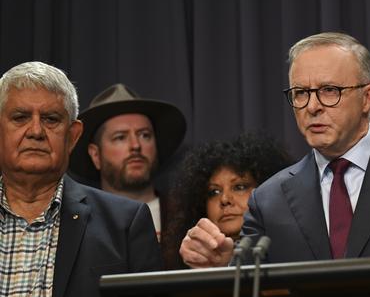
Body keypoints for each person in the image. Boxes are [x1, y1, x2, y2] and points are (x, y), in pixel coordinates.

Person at [179, 32, 370, 296]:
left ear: (368, 98)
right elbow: (250, 286)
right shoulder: (269, 200)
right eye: (300, 93)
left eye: (329, 91)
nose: (312, 107)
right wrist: (223, 265)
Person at [0, 61, 161, 297]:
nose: (35, 131)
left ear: (73, 137)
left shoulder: (125, 223)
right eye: (20, 117)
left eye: (51, 119)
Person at [68, 83, 186, 259]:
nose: (136, 146)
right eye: (120, 137)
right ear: (95, 155)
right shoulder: (76, 224)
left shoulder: (188, 214)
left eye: (144, 135)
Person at [162, 132, 292, 269]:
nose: (224, 199)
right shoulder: (192, 255)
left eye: (239, 187)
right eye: (214, 192)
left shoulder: (289, 248)